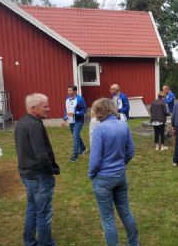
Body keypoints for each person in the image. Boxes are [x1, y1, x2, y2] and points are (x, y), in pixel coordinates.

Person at [89, 98, 138, 246]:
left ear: (99, 112)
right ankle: (134, 243)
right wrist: (121, 164)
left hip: (103, 178)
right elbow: (130, 151)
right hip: (120, 175)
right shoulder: (123, 125)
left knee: (108, 218)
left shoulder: (99, 129)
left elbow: (95, 158)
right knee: (125, 211)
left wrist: (91, 174)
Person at [14, 93, 60, 246]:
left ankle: (29, 241)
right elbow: (41, 154)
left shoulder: (20, 123)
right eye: (45, 106)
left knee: (32, 208)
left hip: (27, 173)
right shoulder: (34, 125)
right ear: (33, 108)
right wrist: (51, 170)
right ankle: (45, 243)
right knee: (44, 212)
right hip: (38, 176)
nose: (48, 109)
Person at [61, 85, 87, 162]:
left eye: (70, 90)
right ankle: (83, 148)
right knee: (76, 136)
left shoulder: (79, 99)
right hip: (71, 121)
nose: (69, 92)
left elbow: (84, 110)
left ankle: (75, 155)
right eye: (68, 90)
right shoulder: (67, 99)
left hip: (78, 121)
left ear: (75, 91)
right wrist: (65, 119)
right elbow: (67, 110)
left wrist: (75, 113)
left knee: (75, 137)